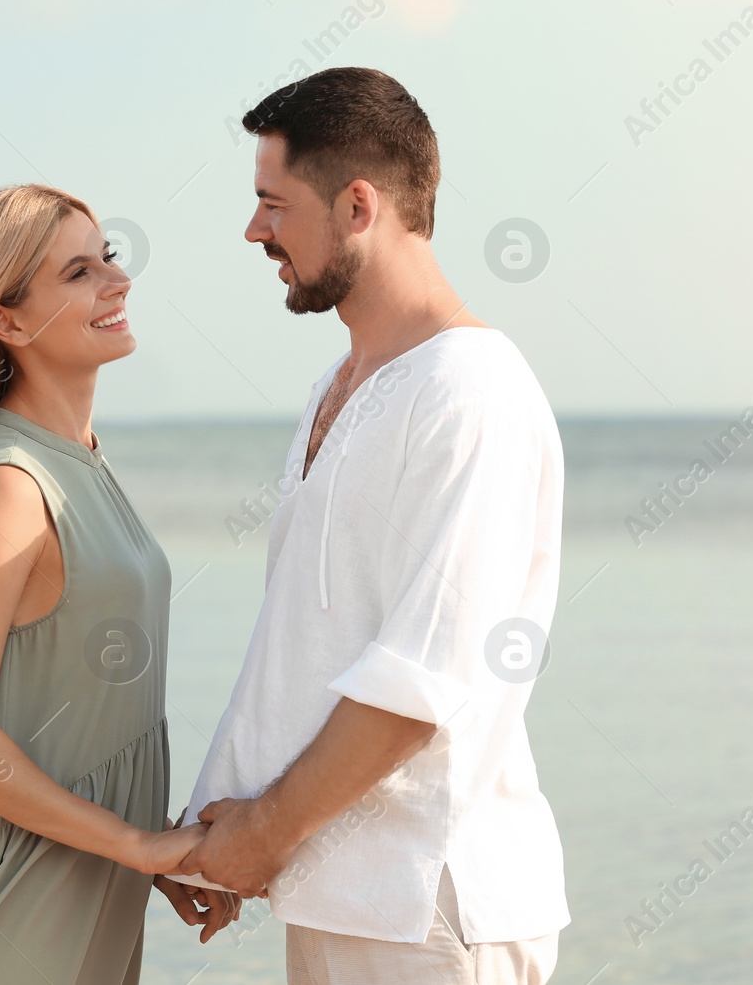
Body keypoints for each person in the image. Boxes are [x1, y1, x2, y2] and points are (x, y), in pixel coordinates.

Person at [173, 67, 570, 983]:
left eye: (274, 203)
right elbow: (308, 644)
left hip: (428, 905)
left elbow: (423, 678)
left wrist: (264, 834)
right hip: (332, 890)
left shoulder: (468, 394)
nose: (254, 230)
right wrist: (227, 825)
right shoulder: (338, 385)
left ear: (358, 205)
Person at [0, 184, 239, 985]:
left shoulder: (81, 463)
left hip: (79, 896)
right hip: (3, 916)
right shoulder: (10, 483)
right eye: (77, 272)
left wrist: (149, 848)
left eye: (109, 258)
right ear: (9, 319)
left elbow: (75, 718)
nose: (116, 280)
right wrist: (134, 844)